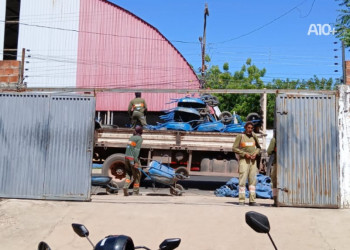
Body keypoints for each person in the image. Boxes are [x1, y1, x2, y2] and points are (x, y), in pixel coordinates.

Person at [232, 121, 261, 206]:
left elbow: (259, 148)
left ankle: (252, 200)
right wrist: (244, 154)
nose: (250, 130)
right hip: (244, 160)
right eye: (248, 128)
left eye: (251, 128)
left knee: (252, 180)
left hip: (253, 161)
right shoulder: (240, 136)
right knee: (243, 180)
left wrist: (255, 153)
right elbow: (234, 148)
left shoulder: (254, 136)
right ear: (245, 128)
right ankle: (241, 200)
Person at [123, 125, 143, 196]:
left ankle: (125, 187)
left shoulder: (131, 137)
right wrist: (136, 162)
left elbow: (129, 148)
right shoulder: (139, 139)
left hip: (126, 157)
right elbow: (136, 151)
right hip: (132, 158)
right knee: (137, 175)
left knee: (128, 173)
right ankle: (135, 192)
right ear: (141, 131)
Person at [267, 132, 277, 206]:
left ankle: (276, 201)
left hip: (277, 163)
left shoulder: (274, 139)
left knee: (274, 182)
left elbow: (269, 151)